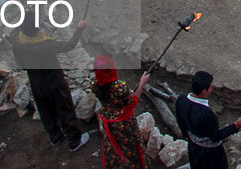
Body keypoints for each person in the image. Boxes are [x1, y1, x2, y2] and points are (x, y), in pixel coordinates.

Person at [11, 18, 90, 152]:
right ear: (35, 30)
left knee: (45, 110)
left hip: (36, 82)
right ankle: (74, 141)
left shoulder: (17, 42)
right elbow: (69, 45)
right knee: (65, 108)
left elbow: (21, 64)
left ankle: (55, 137)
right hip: (54, 81)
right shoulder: (45, 45)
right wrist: (80, 29)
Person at [175, 71, 241, 169]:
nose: (212, 89)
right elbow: (215, 137)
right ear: (204, 91)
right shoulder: (206, 113)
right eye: (210, 87)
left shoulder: (181, 100)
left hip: (193, 148)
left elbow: (181, 123)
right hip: (210, 154)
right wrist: (236, 126)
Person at [92, 55, 150, 168]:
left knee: (113, 145)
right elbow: (133, 102)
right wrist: (142, 83)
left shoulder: (95, 85)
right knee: (131, 147)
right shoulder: (119, 88)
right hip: (124, 124)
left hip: (108, 122)